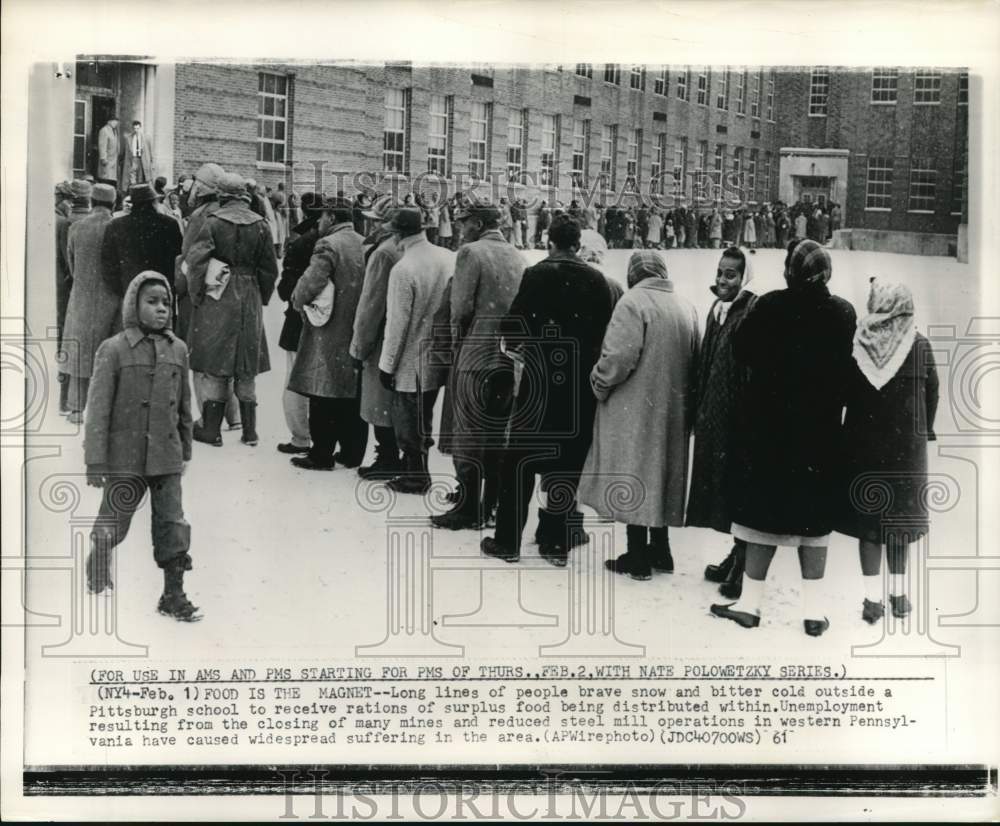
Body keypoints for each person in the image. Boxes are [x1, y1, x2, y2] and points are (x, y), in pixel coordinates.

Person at [711, 240, 857, 636]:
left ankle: (749, 605)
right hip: (820, 435)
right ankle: (813, 613)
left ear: (791, 272)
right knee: (815, 526)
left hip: (769, 432)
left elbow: (741, 349)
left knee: (762, 520)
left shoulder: (772, 305)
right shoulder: (843, 313)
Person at [481, 215, 615, 565]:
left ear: (549, 241)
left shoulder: (538, 274)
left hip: (540, 381)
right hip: (579, 385)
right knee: (566, 463)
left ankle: (507, 541)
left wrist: (523, 344)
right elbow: (605, 334)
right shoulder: (598, 280)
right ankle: (555, 541)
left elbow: (514, 327)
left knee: (519, 463)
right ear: (577, 245)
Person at [83, 270, 199, 621]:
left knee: (172, 523)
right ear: (133, 306)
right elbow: (98, 409)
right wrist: (95, 460)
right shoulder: (113, 349)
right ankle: (99, 560)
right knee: (114, 519)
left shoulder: (178, 349)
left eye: (166, 303)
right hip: (125, 457)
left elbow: (183, 405)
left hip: (166, 456)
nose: (162, 309)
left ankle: (173, 593)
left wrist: (185, 450)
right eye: (152, 302)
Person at [579, 252, 700, 580]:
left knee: (634, 472)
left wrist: (598, 383)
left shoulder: (633, 303)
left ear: (634, 273)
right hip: (673, 408)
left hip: (634, 407)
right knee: (661, 474)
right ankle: (661, 549)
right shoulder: (684, 306)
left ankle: (637, 556)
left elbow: (618, 358)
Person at [837, 279, 939, 623]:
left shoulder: (860, 345)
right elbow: (933, 396)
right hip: (906, 453)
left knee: (870, 527)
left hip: (864, 448)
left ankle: (870, 600)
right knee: (900, 525)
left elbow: (846, 395)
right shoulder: (920, 346)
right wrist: (923, 431)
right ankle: (899, 595)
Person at [431, 202, 524, 530]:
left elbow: (459, 309)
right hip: (507, 358)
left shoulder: (471, 253)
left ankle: (468, 508)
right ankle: (490, 503)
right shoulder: (516, 254)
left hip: (475, 355)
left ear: (479, 223)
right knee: (496, 433)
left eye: (465, 222)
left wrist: (459, 345)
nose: (460, 227)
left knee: (468, 432)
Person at [185, 172, 278, 447]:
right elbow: (270, 269)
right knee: (246, 363)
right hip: (249, 294)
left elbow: (197, 262)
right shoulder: (261, 225)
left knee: (216, 362)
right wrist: (262, 296)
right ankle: (250, 431)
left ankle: (211, 430)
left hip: (218, 294)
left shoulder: (212, 222)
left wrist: (197, 295)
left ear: (222, 195)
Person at [686, 247, 758, 598]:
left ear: (744, 277)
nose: (722, 280)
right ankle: (735, 554)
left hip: (738, 420)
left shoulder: (752, 310)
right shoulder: (716, 309)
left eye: (730, 274)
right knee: (721, 492)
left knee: (739, 493)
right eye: (720, 272)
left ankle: (742, 565)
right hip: (713, 416)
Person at [378, 207, 456, 493]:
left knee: (409, 419)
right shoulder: (448, 257)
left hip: (411, 357)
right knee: (426, 413)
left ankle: (416, 473)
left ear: (398, 234)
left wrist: (387, 365)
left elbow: (397, 323)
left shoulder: (403, 269)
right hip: (440, 352)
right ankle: (419, 468)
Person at [288, 197, 367, 471]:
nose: (319, 222)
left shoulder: (328, 245)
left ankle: (321, 453)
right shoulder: (364, 242)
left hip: (329, 328)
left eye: (321, 217)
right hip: (356, 326)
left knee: (321, 390)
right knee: (352, 391)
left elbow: (310, 283)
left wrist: (297, 300)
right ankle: (352, 451)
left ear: (331, 217)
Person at [349, 196, 405, 480]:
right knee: (398, 401)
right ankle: (398, 454)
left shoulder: (383, 253)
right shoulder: (403, 248)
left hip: (381, 337)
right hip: (402, 334)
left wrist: (359, 345)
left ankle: (387, 456)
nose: (372, 223)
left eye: (378, 219)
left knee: (379, 400)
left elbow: (371, 303)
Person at [60, 183, 119, 423]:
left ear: (92, 202)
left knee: (79, 350)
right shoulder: (116, 227)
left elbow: (71, 264)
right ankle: (104, 409)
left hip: (81, 294)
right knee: (106, 354)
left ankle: (75, 408)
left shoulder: (77, 227)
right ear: (113, 204)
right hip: (110, 297)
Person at [274, 192, 323, 455]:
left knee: (295, 379)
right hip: (328, 321)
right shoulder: (330, 239)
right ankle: (323, 437)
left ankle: (300, 437)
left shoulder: (301, 242)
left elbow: (285, 289)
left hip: (299, 318)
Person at [102, 183, 183, 304]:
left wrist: (121, 290)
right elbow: (178, 258)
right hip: (162, 291)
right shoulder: (169, 223)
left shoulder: (115, 226)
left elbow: (108, 264)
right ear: (153, 202)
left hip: (130, 291)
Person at [55, 180, 92, 413]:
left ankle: (66, 400)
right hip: (70, 290)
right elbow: (69, 262)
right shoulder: (70, 223)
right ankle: (67, 401)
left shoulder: (65, 220)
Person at [121, 120, 154, 187]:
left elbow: (151, 151)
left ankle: (140, 189)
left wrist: (152, 162)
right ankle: (133, 189)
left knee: (141, 176)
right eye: (135, 128)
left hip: (142, 159)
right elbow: (126, 151)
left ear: (140, 128)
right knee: (132, 175)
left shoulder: (147, 137)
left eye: (138, 128)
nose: (136, 130)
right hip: (133, 158)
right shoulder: (129, 138)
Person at [97, 115, 123, 189]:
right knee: (106, 179)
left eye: (116, 122)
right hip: (107, 159)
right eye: (114, 121)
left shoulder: (114, 131)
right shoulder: (104, 130)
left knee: (112, 180)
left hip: (114, 159)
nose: (116, 123)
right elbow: (102, 145)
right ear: (108, 121)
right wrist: (103, 158)